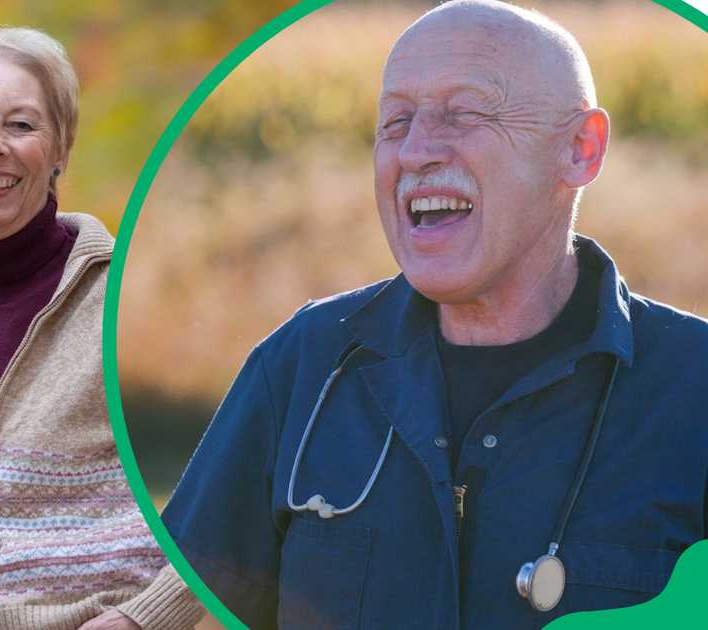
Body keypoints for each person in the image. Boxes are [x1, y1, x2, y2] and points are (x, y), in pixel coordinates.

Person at [162, 1, 708, 628]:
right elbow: (186, 602)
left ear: (580, 149)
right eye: (394, 122)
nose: (415, 150)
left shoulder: (695, 387)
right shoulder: (301, 364)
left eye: (464, 113)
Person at [0, 27, 202, 630]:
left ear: (61, 145)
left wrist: (143, 619)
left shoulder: (125, 297)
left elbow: (246, 481)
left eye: (20, 125)